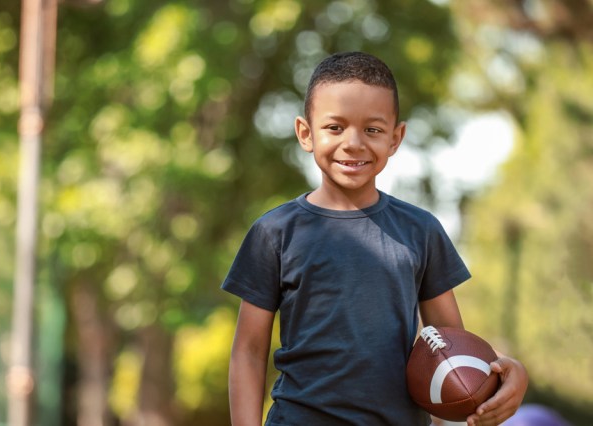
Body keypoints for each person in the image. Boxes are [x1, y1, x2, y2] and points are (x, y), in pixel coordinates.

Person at [221, 51, 528, 426]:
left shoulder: (421, 230)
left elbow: (453, 351)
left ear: (396, 137)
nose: (353, 143)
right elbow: (249, 352)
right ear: (305, 133)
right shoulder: (274, 232)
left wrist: (507, 373)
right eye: (335, 127)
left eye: (373, 129)